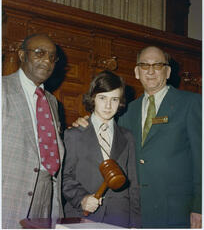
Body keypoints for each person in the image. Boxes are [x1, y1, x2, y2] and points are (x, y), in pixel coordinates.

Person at [73, 46, 202, 228]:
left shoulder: (192, 103)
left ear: (168, 71)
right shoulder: (126, 110)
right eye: (144, 65)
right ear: (136, 72)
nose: (150, 71)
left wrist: (200, 207)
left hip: (177, 209)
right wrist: (85, 123)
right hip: (136, 210)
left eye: (157, 65)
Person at [62, 70, 141, 228]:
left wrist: (135, 223)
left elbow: (133, 184)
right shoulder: (73, 135)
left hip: (119, 217)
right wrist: (82, 198)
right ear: (93, 97)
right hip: (82, 217)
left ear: (120, 103)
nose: (108, 105)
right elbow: (64, 178)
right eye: (102, 98)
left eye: (114, 99)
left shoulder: (128, 137)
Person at [2, 33, 65, 229]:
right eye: (39, 53)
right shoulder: (3, 88)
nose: (47, 60)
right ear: (22, 55)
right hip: (8, 200)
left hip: (46, 200)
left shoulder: (52, 102)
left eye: (52, 56)